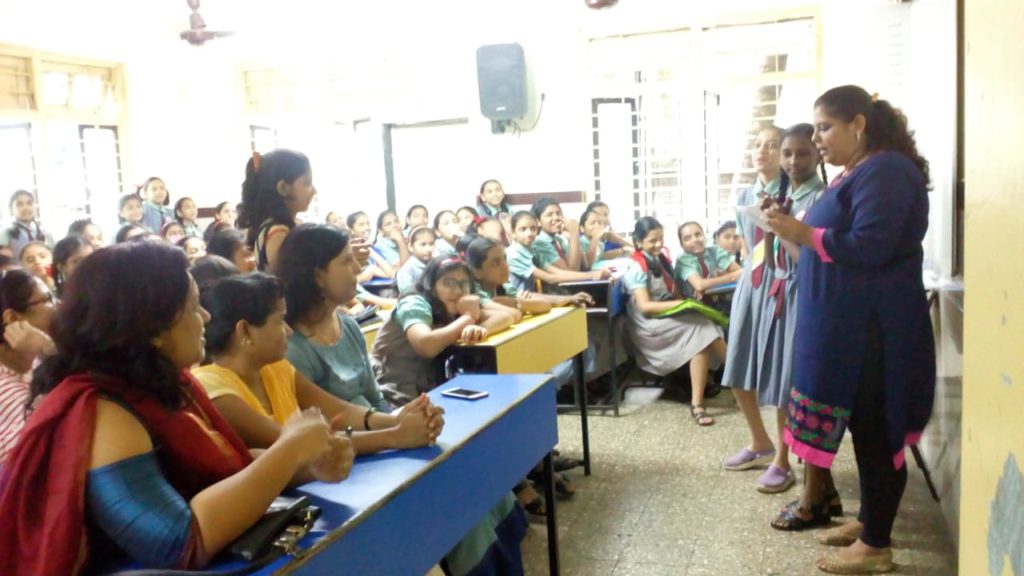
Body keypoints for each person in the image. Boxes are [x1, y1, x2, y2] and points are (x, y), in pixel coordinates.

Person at [0, 240, 352, 574]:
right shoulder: (102, 411)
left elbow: (232, 466)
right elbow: (177, 541)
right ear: (154, 327)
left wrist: (310, 462)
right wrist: (289, 450)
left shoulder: (164, 383)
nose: (206, 317)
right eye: (194, 305)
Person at [764, 86, 934, 574]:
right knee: (865, 430)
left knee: (879, 432)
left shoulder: (886, 170)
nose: (816, 138)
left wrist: (804, 233)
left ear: (857, 124)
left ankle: (877, 547)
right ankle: (869, 521)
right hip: (853, 327)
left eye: (824, 127)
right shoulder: (857, 172)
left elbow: (872, 244)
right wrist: (791, 233)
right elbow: (832, 246)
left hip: (877, 331)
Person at [195, 271, 442, 454]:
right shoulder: (213, 388)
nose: (289, 331)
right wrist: (396, 436)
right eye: (280, 321)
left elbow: (339, 411)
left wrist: (404, 421)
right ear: (245, 331)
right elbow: (296, 446)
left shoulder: (275, 367)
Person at [720, 125, 792, 482]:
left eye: (772, 145)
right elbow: (747, 244)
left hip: (781, 282)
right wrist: (747, 272)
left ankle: (782, 456)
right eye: (757, 145)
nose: (761, 151)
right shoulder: (746, 193)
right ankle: (758, 440)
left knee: (779, 373)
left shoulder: (791, 191)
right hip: (753, 281)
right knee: (737, 362)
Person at [623, 217, 727, 426]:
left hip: (665, 315)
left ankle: (699, 402)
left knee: (704, 327)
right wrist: (683, 306)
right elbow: (645, 306)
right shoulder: (637, 267)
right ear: (639, 242)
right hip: (649, 325)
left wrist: (687, 304)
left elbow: (676, 294)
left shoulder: (660, 259)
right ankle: (737, 378)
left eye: (661, 238)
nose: (659, 244)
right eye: (653, 241)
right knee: (703, 329)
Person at [371, 256, 515, 405]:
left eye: (463, 283)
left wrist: (478, 329)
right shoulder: (414, 303)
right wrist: (469, 317)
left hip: (429, 388)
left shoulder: (455, 303)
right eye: (448, 283)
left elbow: (508, 316)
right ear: (432, 286)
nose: (458, 290)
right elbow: (426, 345)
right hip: (391, 392)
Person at [0, 268, 56, 462]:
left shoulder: (33, 359)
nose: (58, 305)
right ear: (13, 319)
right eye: (48, 299)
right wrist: (49, 351)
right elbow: (43, 451)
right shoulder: (4, 388)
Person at [236, 150, 316, 272]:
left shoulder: (275, 226)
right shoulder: (278, 232)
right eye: (307, 182)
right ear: (283, 188)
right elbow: (292, 282)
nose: (314, 190)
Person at [506, 211, 608, 293]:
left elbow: (559, 273)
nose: (529, 233)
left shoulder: (533, 249)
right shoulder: (514, 254)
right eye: (523, 229)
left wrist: (594, 274)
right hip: (516, 300)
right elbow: (550, 278)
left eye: (533, 229)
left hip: (530, 297)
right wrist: (591, 275)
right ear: (513, 232)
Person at [674, 222, 742, 300]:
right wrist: (732, 277)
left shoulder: (715, 251)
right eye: (687, 238)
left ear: (704, 236)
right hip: (694, 305)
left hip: (718, 300)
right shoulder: (683, 260)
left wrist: (709, 283)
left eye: (698, 234)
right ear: (681, 245)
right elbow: (699, 285)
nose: (695, 240)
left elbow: (740, 272)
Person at [0, 190, 55, 257]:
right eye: (20, 204)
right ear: (11, 209)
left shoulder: (46, 234)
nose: (26, 208)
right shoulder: (5, 233)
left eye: (29, 203)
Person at [396, 226, 437, 295]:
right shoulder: (406, 271)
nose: (428, 249)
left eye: (431, 244)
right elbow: (409, 296)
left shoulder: (437, 264)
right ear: (410, 247)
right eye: (423, 244)